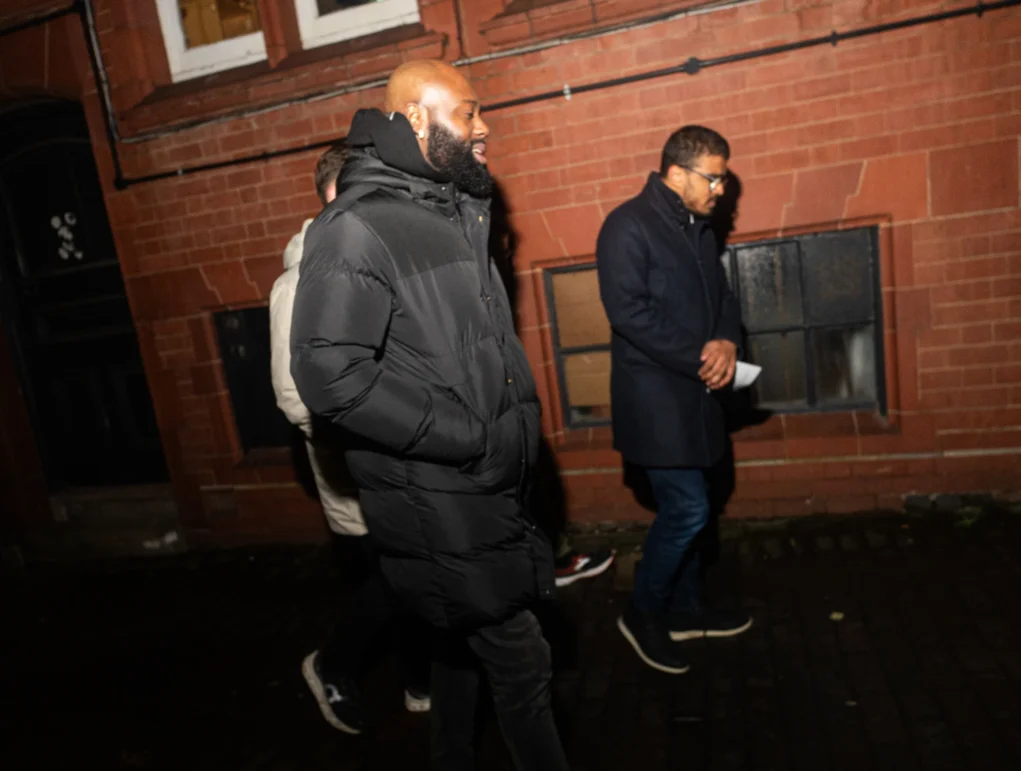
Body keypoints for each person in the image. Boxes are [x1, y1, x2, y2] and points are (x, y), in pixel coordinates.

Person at [290, 60, 569, 770]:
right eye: (470, 113)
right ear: (416, 119)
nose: (485, 127)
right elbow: (329, 373)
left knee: (456, 644)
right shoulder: (355, 227)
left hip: (484, 486)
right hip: (439, 493)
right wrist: (466, 436)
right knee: (521, 658)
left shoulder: (448, 207)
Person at [269, 143, 430, 735]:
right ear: (339, 196)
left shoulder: (373, 263)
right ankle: (333, 665)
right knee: (393, 583)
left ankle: (419, 682)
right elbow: (295, 399)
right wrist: (378, 432)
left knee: (410, 579)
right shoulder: (298, 284)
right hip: (357, 474)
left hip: (396, 468)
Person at [596, 125, 752, 675]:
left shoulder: (698, 228)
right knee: (688, 508)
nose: (721, 190)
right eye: (714, 178)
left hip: (698, 393)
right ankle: (642, 613)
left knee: (694, 506)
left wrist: (727, 340)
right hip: (657, 399)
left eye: (724, 178)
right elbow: (629, 314)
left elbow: (723, 298)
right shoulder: (626, 225)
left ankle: (685, 610)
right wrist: (702, 355)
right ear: (677, 172)